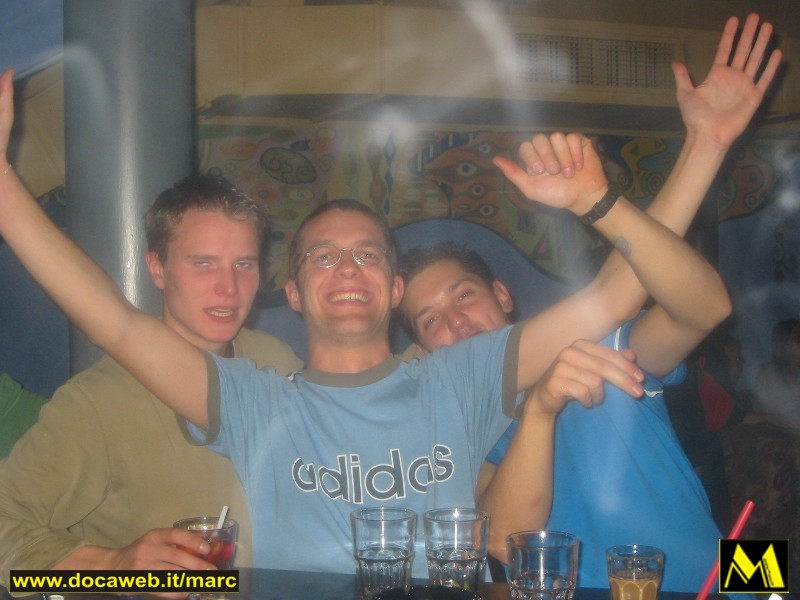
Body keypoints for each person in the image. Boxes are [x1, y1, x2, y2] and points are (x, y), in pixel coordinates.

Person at [0, 50, 733, 578]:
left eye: (368, 255)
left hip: (722, 575)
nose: (347, 268)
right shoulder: (254, 399)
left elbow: (618, 297)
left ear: (391, 289)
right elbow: (114, 321)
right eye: (322, 256)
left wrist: (699, 147)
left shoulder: (461, 376)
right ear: (292, 293)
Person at [398, 13, 781, 594]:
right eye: (431, 320)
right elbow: (500, 541)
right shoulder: (464, 427)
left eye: (465, 295)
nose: (455, 321)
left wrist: (701, 146)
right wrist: (539, 408)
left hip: (727, 581)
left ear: (502, 295)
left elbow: (705, 309)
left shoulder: (596, 349)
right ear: (426, 350)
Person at [0, 174, 304, 590]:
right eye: (203, 263)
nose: (228, 287)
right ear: (157, 268)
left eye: (243, 265)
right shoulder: (98, 401)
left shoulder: (276, 359)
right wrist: (110, 568)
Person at [755, 318, 800, 432]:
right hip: (784, 430)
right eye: (797, 337)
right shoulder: (768, 373)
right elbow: (771, 411)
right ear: (783, 343)